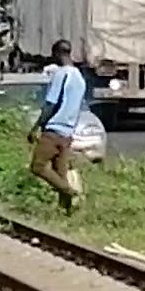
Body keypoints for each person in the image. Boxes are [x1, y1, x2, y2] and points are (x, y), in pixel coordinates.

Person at [26, 39, 86, 212]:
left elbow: (51, 104)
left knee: (37, 166)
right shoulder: (79, 78)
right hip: (67, 133)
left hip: (53, 131)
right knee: (60, 174)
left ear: (58, 54)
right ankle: (66, 211)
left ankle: (71, 193)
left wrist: (36, 127)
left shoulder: (61, 74)